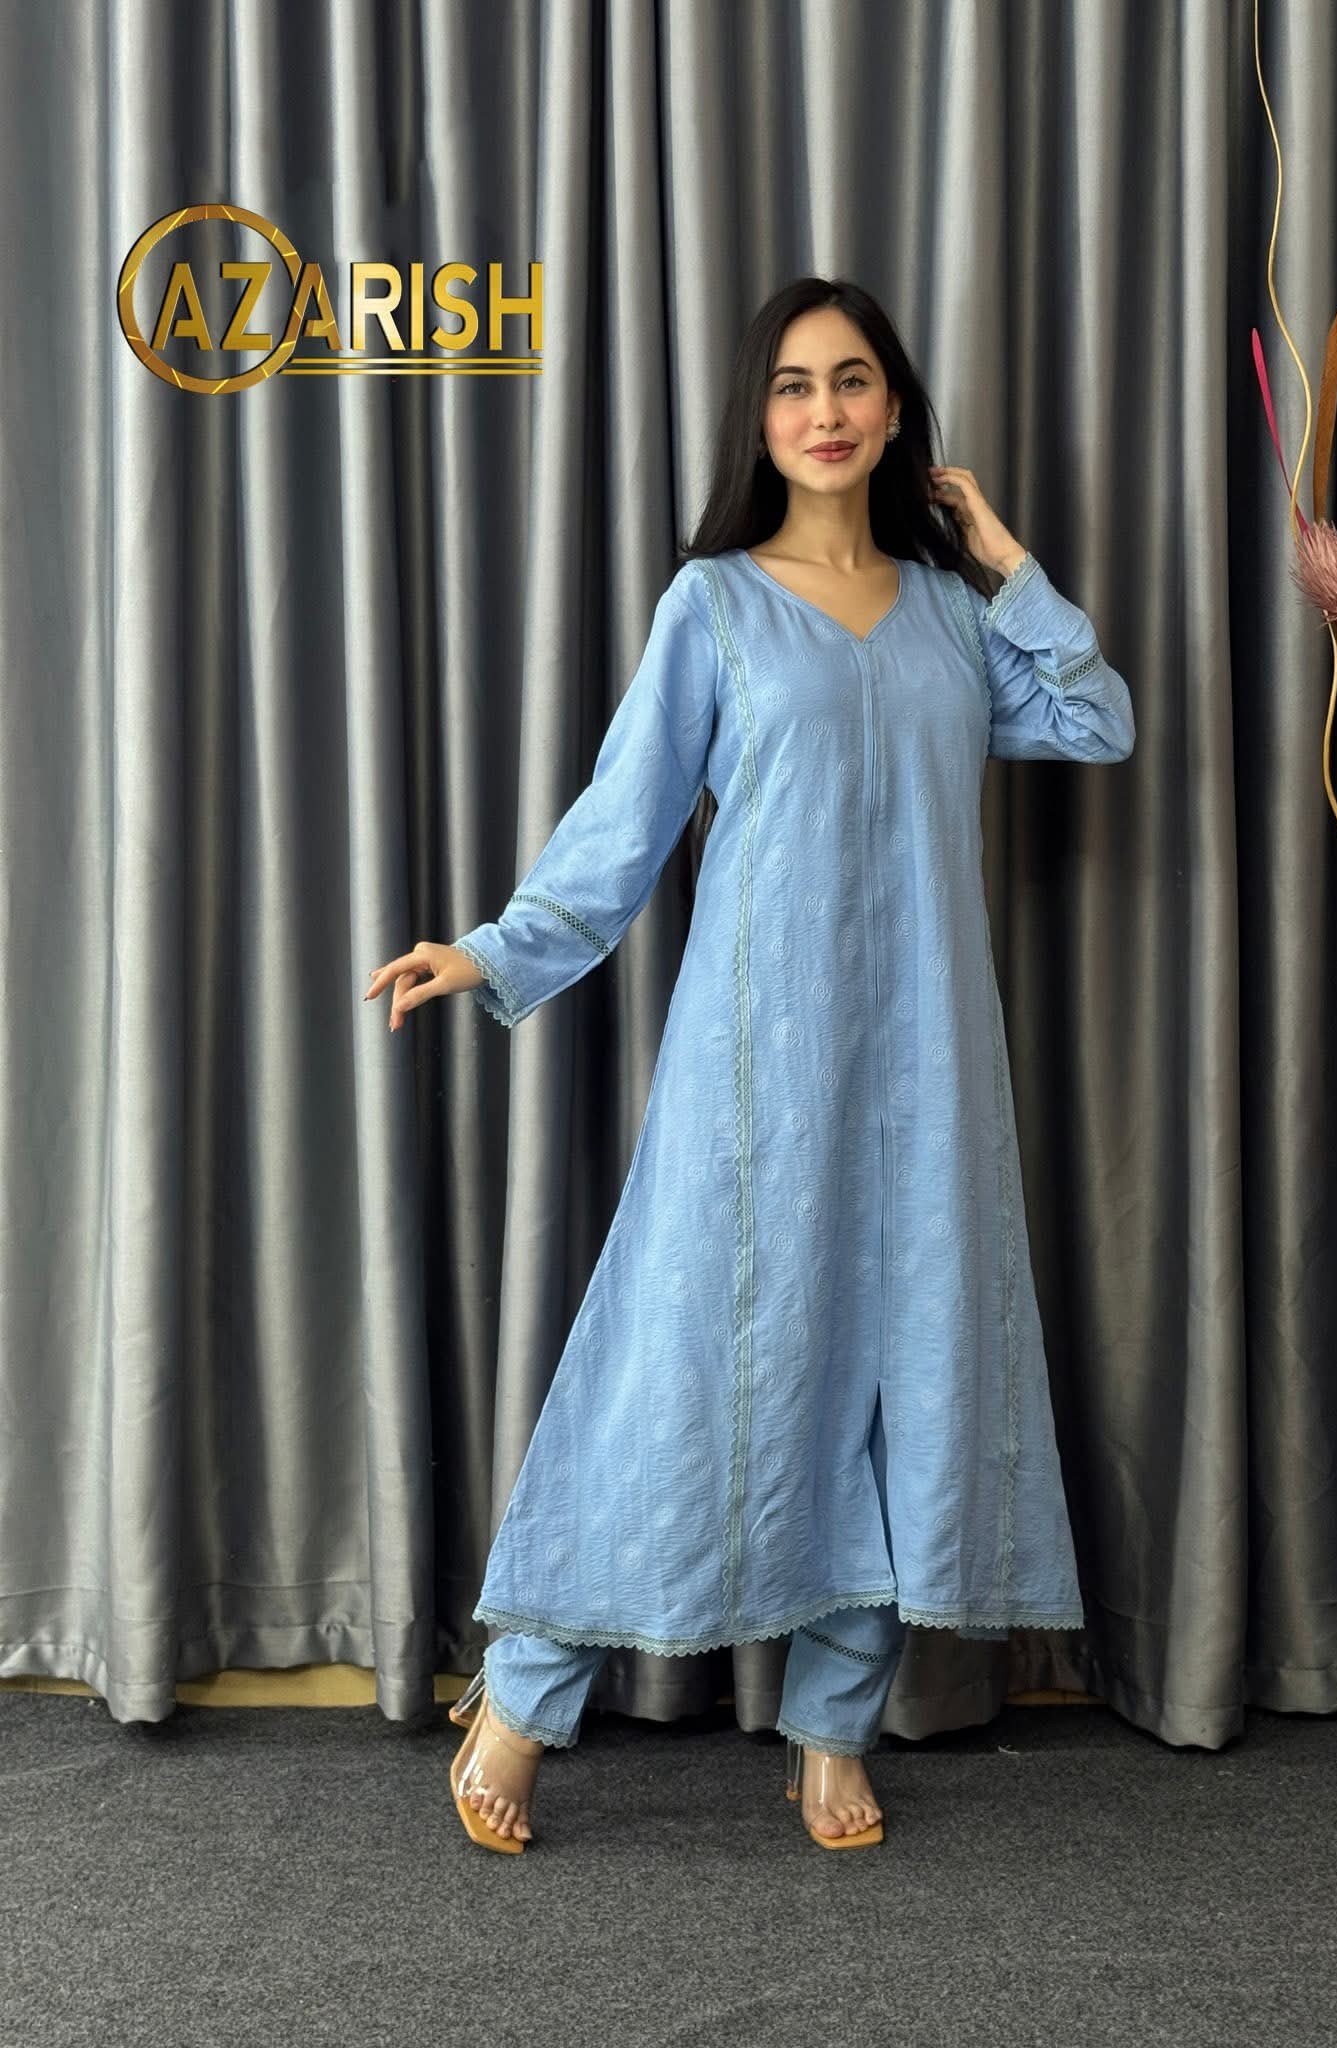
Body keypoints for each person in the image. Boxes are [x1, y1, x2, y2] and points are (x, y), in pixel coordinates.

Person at [364, 276, 1135, 1854]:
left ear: (896, 411)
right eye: (793, 385)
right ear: (762, 419)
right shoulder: (713, 606)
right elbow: (626, 818)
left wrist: (1004, 561)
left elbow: (1095, 719)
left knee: (903, 1373)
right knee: (677, 1373)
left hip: (930, 1078)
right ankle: (526, 1694)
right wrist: (498, 948)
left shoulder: (950, 618)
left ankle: (833, 1729)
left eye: (852, 381)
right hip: (755, 1075)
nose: (825, 411)